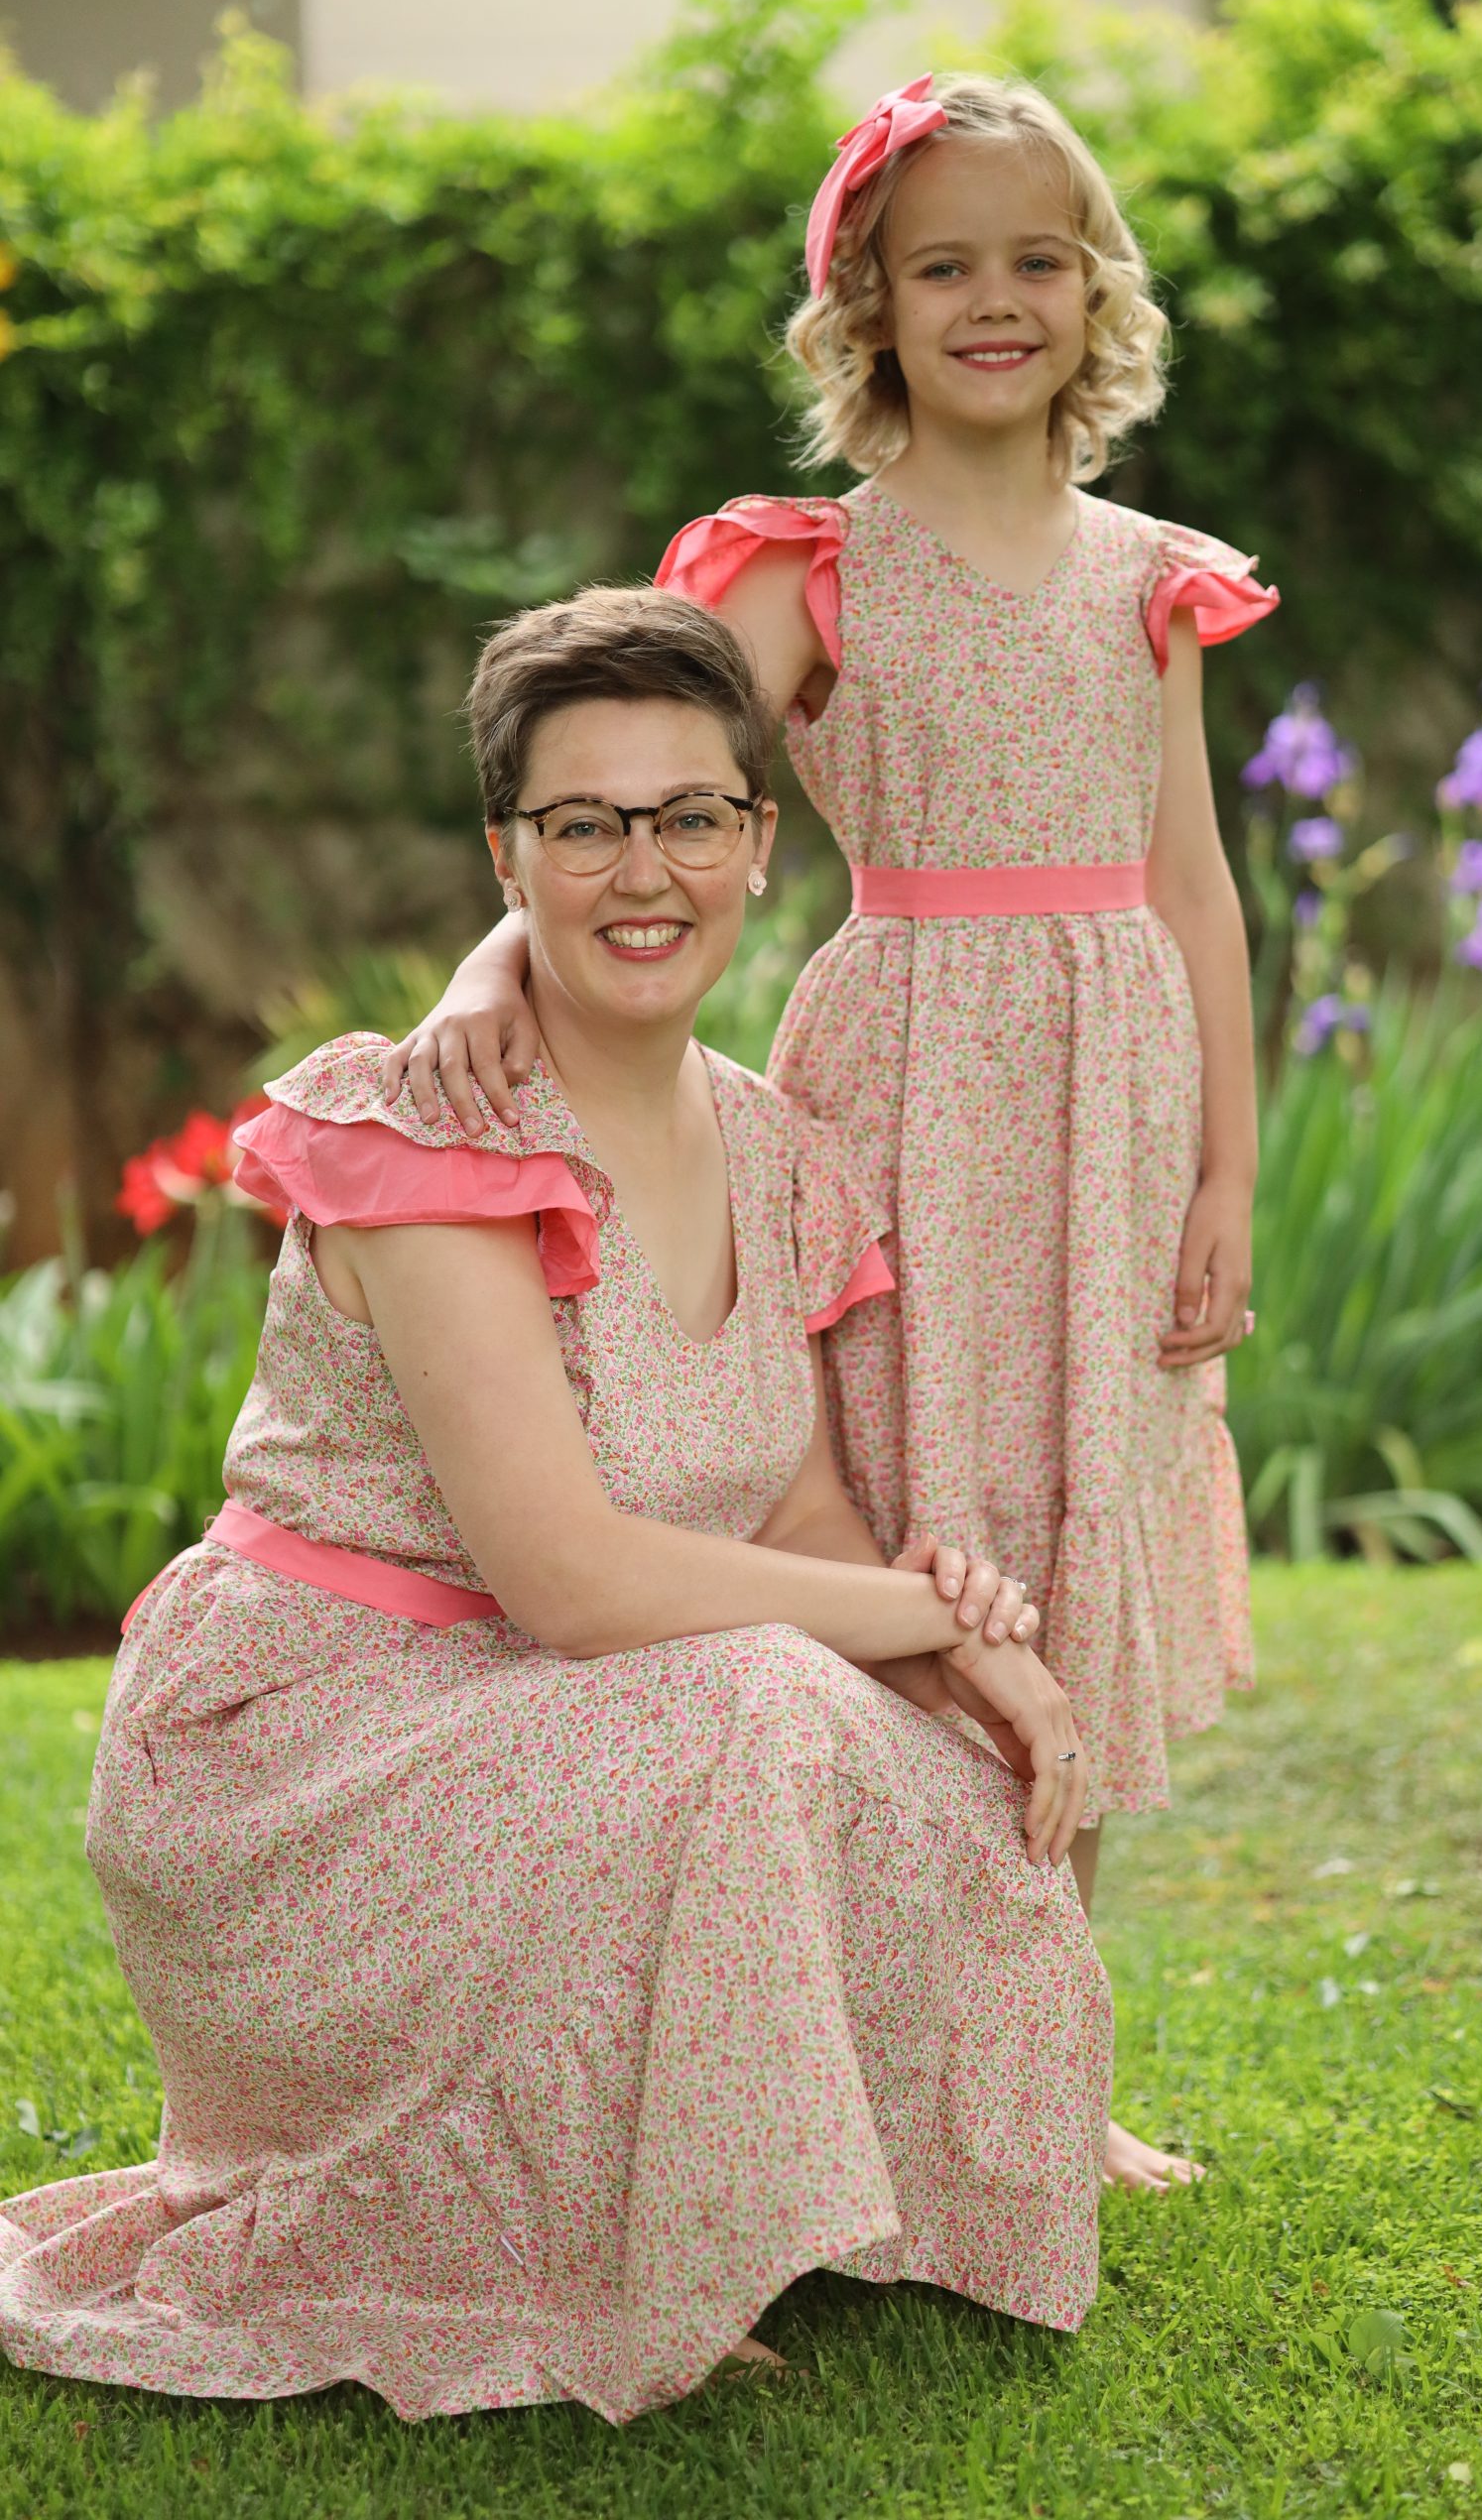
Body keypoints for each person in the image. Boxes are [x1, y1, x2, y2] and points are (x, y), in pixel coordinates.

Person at [0, 589, 1112, 2426]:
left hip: (555, 1714)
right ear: (504, 857)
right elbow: (573, 1581)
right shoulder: (428, 1138)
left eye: (690, 816)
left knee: (927, 1755)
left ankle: (792, 2194)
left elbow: (802, 1515)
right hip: (310, 1746)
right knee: (759, 1704)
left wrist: (964, 1660)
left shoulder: (771, 1145)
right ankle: (589, 2228)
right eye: (584, 824)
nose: (642, 870)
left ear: (762, 841)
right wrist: (932, 1616)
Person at [378, 74, 1278, 2195]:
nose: (994, 299)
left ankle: (1037, 2056)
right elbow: (638, 772)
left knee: (1070, 1529)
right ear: (868, 306)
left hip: (1116, 1098)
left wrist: (1226, 1170)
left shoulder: (1151, 579)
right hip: (909, 1075)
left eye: (1035, 260)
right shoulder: (821, 566)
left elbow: (1193, 881)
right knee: (917, 1507)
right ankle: (860, 2030)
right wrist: (489, 967)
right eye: (940, 265)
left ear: (1097, 291)